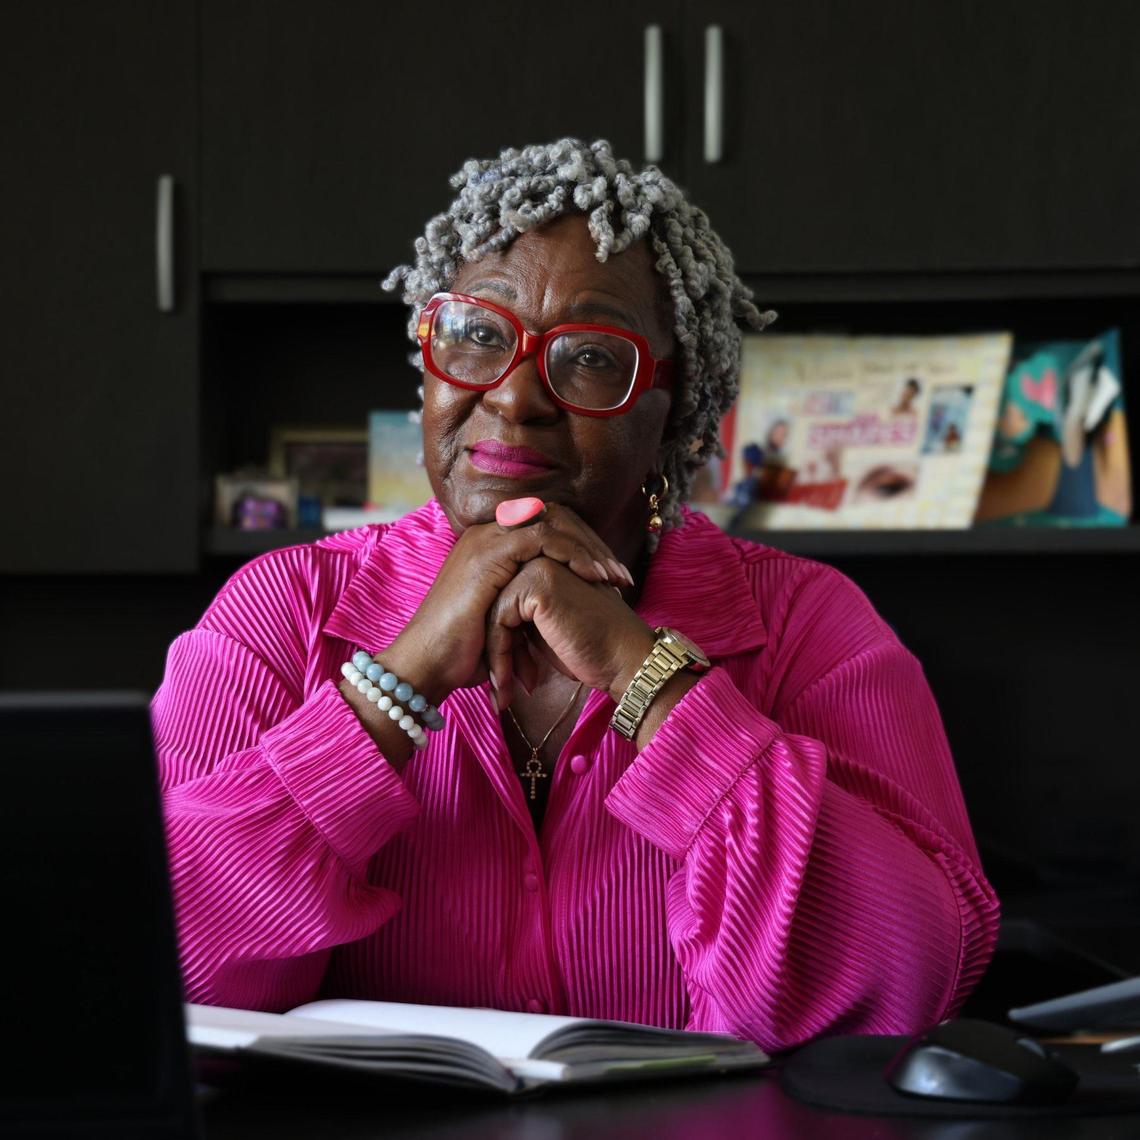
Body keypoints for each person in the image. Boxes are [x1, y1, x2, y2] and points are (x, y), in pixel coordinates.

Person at [154, 138, 998, 1050]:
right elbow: (168, 965)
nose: (516, 399)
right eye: (477, 334)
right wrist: (395, 688)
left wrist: (651, 677)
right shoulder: (281, 614)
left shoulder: (807, 626)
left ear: (674, 403)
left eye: (591, 357)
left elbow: (906, 981)